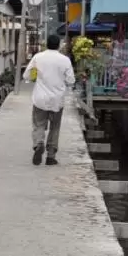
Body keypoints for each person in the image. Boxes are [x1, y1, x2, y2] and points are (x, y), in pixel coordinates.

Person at [23, 34, 75, 165]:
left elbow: (26, 75)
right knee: (55, 127)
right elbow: (71, 80)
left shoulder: (38, 57)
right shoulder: (65, 60)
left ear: (46, 44)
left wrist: (35, 78)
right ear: (59, 45)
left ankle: (38, 144)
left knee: (39, 124)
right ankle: (51, 156)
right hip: (58, 99)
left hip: (40, 98)